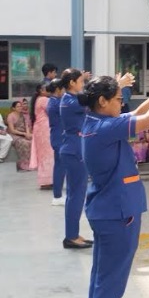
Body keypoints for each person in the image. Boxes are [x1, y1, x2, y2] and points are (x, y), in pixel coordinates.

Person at [80, 72, 149, 298]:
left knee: (102, 282)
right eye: (118, 99)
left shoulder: (97, 123)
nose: (122, 103)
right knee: (110, 286)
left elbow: (138, 115)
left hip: (108, 211)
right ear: (102, 101)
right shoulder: (106, 127)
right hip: (118, 213)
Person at [60, 68, 92, 249]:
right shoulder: (71, 101)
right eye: (80, 81)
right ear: (72, 83)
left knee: (76, 195)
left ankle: (73, 234)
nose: (83, 84)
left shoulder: (70, 100)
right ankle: (71, 236)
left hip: (73, 149)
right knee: (76, 195)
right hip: (74, 151)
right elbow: (93, 101)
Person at [30, 82, 54, 190]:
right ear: (41, 90)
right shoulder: (44, 100)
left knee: (43, 155)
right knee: (48, 154)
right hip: (44, 129)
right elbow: (52, 112)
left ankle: (45, 180)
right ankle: (47, 180)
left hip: (39, 128)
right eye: (46, 89)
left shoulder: (37, 99)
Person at [46, 78, 66, 206]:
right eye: (63, 88)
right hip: (59, 137)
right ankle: (57, 196)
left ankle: (58, 194)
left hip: (58, 137)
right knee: (60, 167)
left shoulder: (55, 101)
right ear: (58, 89)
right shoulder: (56, 103)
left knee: (60, 166)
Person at [7, 100, 32, 172]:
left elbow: (26, 126)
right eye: (18, 106)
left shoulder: (23, 116)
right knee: (24, 143)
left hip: (24, 134)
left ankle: (31, 163)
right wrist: (24, 134)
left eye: (20, 106)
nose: (20, 108)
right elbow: (12, 130)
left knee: (32, 141)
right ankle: (23, 164)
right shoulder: (10, 116)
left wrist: (27, 134)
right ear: (13, 108)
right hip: (14, 135)